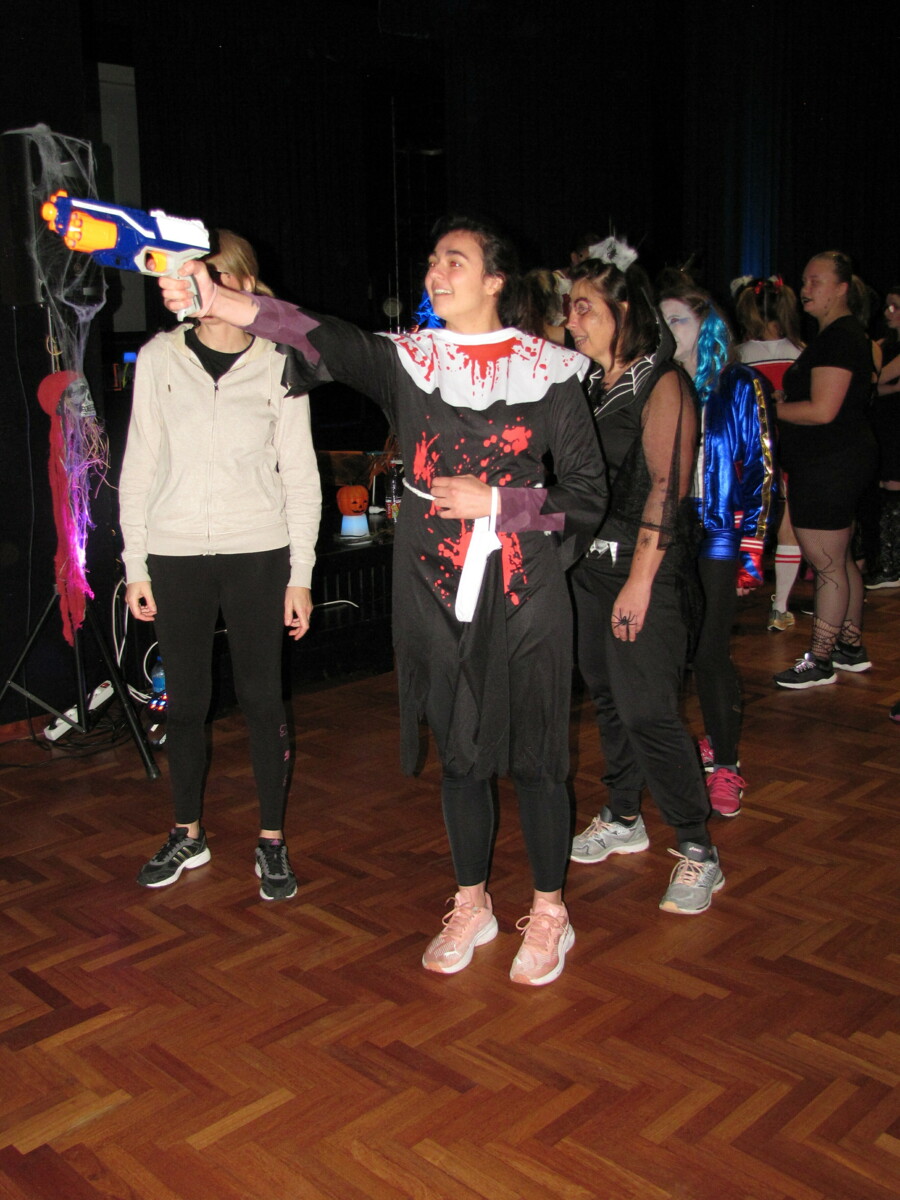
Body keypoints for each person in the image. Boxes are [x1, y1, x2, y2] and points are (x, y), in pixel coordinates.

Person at [158, 215, 608, 986]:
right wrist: (218, 299)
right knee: (460, 754)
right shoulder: (410, 360)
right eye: (432, 260)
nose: (436, 272)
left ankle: (549, 911)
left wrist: (501, 503)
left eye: (455, 261)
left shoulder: (552, 371)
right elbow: (316, 333)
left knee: (537, 755)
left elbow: (590, 498)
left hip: (524, 586)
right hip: (433, 583)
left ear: (495, 280)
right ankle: (472, 902)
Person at [120, 230, 322, 900]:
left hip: (258, 553)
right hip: (175, 553)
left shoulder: (279, 360)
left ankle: (271, 839)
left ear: (243, 283)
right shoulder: (159, 357)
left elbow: (301, 476)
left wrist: (300, 575)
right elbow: (139, 465)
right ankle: (188, 832)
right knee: (186, 704)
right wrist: (136, 562)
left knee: (263, 700)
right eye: (190, 279)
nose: (198, 290)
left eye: (212, 277)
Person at [566, 244, 725, 914]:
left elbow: (667, 488)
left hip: (646, 571)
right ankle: (624, 814)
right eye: (569, 307)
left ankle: (697, 847)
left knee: (649, 711)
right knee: (608, 698)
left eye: (584, 308)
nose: (571, 320)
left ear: (623, 310)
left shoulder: (664, 383)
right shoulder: (588, 383)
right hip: (589, 570)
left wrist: (638, 582)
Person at [659, 280, 775, 817]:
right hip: (670, 530)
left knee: (710, 651)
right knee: (673, 647)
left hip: (722, 531)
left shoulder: (740, 383)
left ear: (706, 326)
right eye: (662, 321)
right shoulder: (658, 384)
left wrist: (751, 551)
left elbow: (760, 470)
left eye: (678, 319)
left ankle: (726, 763)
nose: (668, 330)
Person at [770, 251, 878, 688]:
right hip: (839, 460)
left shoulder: (840, 338)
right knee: (840, 558)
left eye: (816, 281)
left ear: (842, 288)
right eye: (804, 280)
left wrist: (770, 410)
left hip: (829, 464)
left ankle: (820, 659)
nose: (805, 289)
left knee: (828, 563)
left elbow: (822, 410)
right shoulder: (839, 335)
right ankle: (849, 647)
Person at [732, 274, 805, 630]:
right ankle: (780, 606)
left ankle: (732, 592)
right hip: (792, 447)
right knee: (790, 525)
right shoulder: (803, 353)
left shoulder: (737, 356)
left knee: (740, 521)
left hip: (749, 451)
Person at [866, 287, 900, 589]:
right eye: (888, 306)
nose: (889, 313)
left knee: (894, 488)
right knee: (883, 490)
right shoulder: (882, 343)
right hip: (881, 424)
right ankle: (885, 562)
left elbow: (876, 378)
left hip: (895, 426)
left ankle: (892, 566)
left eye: (896, 307)